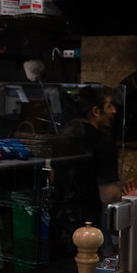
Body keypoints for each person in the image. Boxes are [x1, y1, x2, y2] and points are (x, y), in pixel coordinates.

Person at [50, 85, 122, 259]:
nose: (114, 111)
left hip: (58, 221)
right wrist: (128, 196)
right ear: (96, 111)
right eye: (110, 106)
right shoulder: (103, 143)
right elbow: (109, 196)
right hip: (87, 227)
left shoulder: (64, 134)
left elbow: (53, 176)